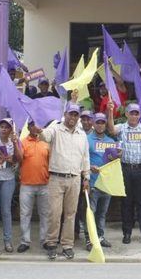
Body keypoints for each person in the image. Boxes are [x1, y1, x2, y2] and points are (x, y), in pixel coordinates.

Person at [29, 103, 90, 260]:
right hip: (56, 178)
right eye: (71, 114)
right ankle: (51, 243)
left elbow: (85, 157)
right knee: (54, 213)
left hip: (75, 178)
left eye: (76, 115)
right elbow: (44, 136)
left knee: (71, 214)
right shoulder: (55, 129)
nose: (73, 117)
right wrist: (38, 129)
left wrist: (86, 177)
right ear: (65, 114)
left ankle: (67, 245)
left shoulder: (82, 135)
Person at [108, 102, 141, 246]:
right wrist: (110, 112)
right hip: (126, 169)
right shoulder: (122, 128)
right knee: (126, 203)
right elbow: (111, 130)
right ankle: (127, 233)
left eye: (136, 113)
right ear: (126, 114)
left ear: (140, 115)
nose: (134, 116)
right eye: (132, 113)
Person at [0, 118, 22, 253]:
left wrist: (14, 144)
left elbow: (19, 159)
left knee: (6, 211)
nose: (4, 129)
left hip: (8, 178)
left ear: (10, 130)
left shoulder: (14, 140)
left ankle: (8, 242)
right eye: (1, 126)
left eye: (7, 127)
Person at [17, 120, 50, 253]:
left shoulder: (47, 142)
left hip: (45, 184)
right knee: (25, 214)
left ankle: (45, 240)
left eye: (38, 124)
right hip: (26, 184)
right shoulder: (22, 142)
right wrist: (15, 143)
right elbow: (19, 159)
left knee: (45, 214)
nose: (36, 127)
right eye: (33, 125)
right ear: (29, 127)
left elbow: (52, 161)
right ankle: (25, 241)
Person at [85, 112, 116, 250]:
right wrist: (90, 168)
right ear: (93, 124)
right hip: (92, 182)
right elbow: (82, 159)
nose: (100, 125)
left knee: (102, 213)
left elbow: (114, 163)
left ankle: (100, 236)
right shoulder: (86, 139)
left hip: (106, 184)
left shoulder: (111, 141)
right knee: (91, 212)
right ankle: (89, 239)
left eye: (103, 122)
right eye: (98, 122)